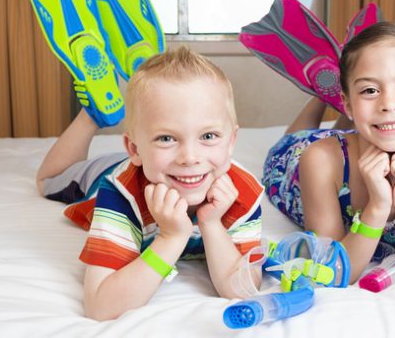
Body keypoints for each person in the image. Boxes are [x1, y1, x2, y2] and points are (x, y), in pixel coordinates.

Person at [37, 47, 263, 320]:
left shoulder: (243, 193)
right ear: (133, 147)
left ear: (231, 143)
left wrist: (212, 224)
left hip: (155, 166)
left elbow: (241, 290)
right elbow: (101, 307)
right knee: (48, 181)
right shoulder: (120, 194)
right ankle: (91, 115)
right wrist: (171, 237)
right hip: (107, 173)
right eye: (166, 138)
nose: (189, 157)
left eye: (209, 136)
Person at [262, 21, 395, 282]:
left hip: (360, 134)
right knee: (298, 138)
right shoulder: (318, 159)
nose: (389, 103)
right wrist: (377, 207)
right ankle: (320, 97)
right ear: (346, 103)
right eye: (369, 90)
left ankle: (353, 109)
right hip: (296, 160)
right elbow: (333, 271)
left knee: (371, 123)